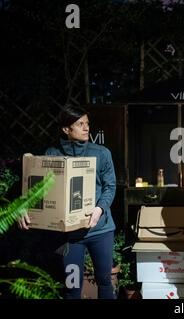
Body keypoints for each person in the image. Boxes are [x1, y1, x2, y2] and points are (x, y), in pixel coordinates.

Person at [18, 105, 117, 299]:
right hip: (69, 237)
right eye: (80, 124)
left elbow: (110, 187)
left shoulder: (101, 153)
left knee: (105, 281)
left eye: (87, 123)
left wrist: (100, 209)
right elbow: (38, 189)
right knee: (72, 287)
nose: (86, 128)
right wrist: (25, 206)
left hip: (100, 231)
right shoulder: (52, 155)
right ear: (66, 129)